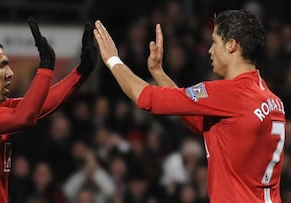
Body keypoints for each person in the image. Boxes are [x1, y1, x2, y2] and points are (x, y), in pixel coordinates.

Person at [93, 9, 286, 202]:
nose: (210, 50)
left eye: (215, 42)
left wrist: (113, 60)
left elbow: (146, 98)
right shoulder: (272, 100)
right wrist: (159, 73)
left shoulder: (228, 94)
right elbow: (197, 120)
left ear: (231, 45)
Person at [0, 16, 97, 202]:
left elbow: (39, 105)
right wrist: (45, 67)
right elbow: (24, 117)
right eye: (2, 66)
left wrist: (81, 72)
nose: (10, 73)